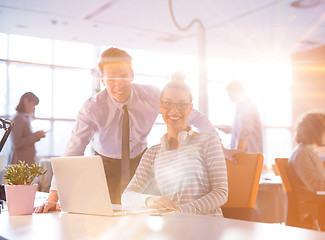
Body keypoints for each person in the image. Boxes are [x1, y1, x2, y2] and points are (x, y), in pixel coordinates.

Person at [34, 47, 217, 213]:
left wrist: (217, 145)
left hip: (140, 164)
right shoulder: (92, 108)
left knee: (144, 216)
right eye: (111, 79)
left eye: (123, 77)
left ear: (132, 74)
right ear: (102, 79)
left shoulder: (152, 95)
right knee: (103, 218)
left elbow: (195, 117)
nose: (118, 85)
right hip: (105, 166)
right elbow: (72, 152)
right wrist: (53, 196)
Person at [121, 79, 228, 216]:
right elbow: (127, 196)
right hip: (174, 226)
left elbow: (221, 192)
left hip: (207, 226)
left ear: (190, 108)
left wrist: (181, 211)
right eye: (167, 103)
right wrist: (150, 200)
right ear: (160, 107)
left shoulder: (208, 141)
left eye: (182, 104)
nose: (174, 110)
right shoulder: (153, 153)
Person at [217, 80, 263, 153]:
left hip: (248, 157)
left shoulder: (246, 106)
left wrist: (237, 154)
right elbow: (244, 127)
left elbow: (244, 132)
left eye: (230, 95)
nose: (230, 98)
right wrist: (231, 129)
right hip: (247, 156)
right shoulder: (241, 106)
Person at [7, 92, 46, 165]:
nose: (34, 108)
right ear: (25, 101)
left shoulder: (24, 118)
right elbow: (17, 143)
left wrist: (37, 136)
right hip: (20, 164)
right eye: (33, 104)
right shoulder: (18, 118)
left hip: (24, 163)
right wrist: (36, 136)